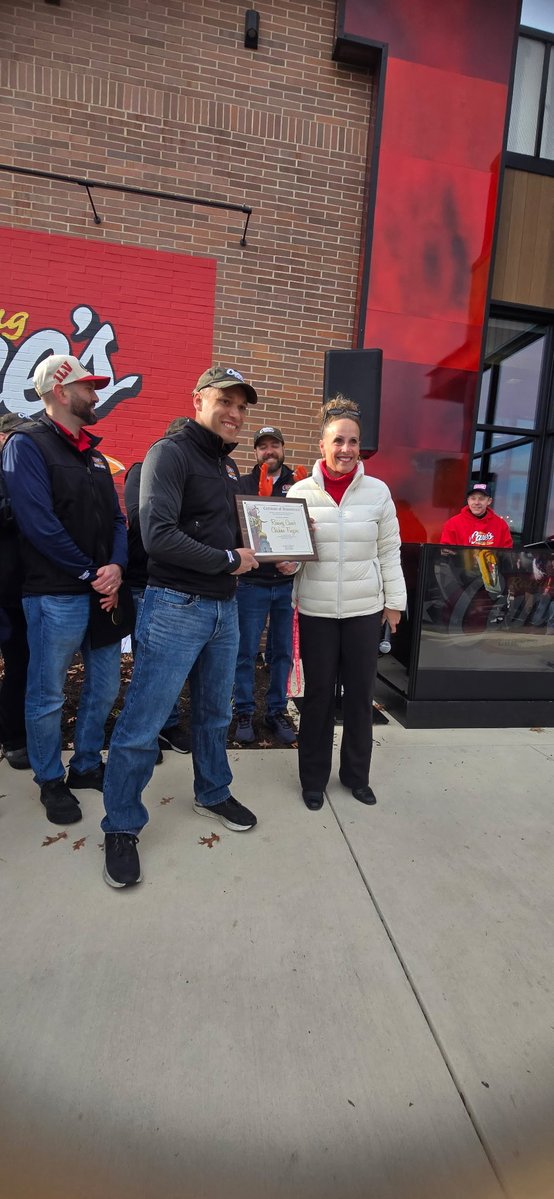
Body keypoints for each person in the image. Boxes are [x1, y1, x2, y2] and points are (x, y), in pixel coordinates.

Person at [100, 365, 260, 889]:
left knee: (215, 713)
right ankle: (121, 825)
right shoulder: (169, 453)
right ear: (198, 400)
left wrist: (272, 550)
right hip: (175, 607)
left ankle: (212, 791)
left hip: (223, 610)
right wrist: (228, 560)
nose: (234, 413)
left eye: (241, 406)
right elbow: (158, 535)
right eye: (225, 401)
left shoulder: (226, 466)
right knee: (143, 723)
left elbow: (230, 536)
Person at [2, 354, 128, 825]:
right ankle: (50, 780)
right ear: (60, 391)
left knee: (105, 685)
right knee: (47, 693)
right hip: (55, 594)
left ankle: (87, 764)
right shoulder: (27, 444)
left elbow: (117, 519)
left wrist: (116, 567)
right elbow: (38, 523)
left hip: (101, 591)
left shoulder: (94, 454)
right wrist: (91, 574)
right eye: (88, 387)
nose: (96, 395)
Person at [287, 396, 406, 811]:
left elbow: (389, 550)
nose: (346, 449)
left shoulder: (378, 492)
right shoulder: (299, 492)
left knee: (359, 698)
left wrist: (395, 603)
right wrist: (285, 562)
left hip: (363, 612)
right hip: (316, 612)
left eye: (353, 441)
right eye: (338, 440)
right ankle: (313, 780)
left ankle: (356, 776)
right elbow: (289, 561)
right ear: (322, 445)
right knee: (318, 698)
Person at [124, 416, 191, 760]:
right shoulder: (142, 471)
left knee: (169, 664)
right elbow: (143, 522)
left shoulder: (193, 479)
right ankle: (144, 734)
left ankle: (168, 724)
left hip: (176, 583)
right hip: (141, 582)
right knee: (147, 665)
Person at [234, 426, 298, 745]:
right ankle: (244, 711)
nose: (269, 451)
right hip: (252, 584)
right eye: (263, 446)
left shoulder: (298, 485)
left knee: (283, 652)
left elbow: (307, 531)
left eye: (274, 445)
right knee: (245, 651)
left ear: (283, 448)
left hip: (287, 585)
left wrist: (296, 560)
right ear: (255, 452)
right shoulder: (243, 485)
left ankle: (276, 711)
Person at [0, 413, 31, 769]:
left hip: (21, 591)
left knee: (21, 665)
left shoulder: (27, 474)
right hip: (5, 591)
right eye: (15, 438)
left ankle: (15, 736)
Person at [439, 483, 513, 547]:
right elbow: (446, 552)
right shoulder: (452, 524)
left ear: (489, 501)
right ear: (468, 500)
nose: (476, 502)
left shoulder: (501, 525)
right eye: (473, 498)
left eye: (481, 499)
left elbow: (507, 553)